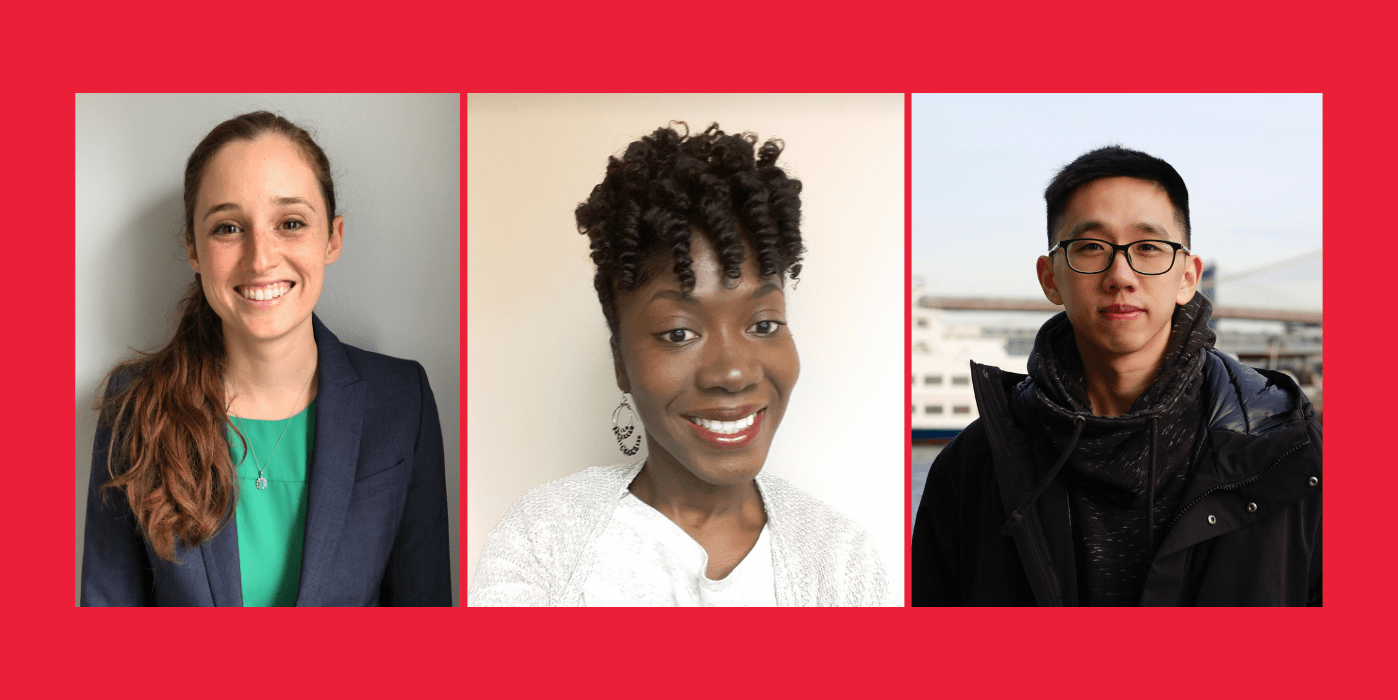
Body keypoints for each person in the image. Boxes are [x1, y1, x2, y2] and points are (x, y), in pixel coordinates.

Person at [469, 123, 889, 606]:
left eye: (765, 324)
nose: (732, 373)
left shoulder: (838, 559)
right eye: (679, 333)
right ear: (620, 362)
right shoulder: (543, 539)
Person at [912, 146, 1322, 606]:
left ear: (1188, 276)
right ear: (1050, 278)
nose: (1120, 275)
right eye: (1091, 247)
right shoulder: (973, 465)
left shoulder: (1292, 451)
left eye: (1149, 247)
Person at [81, 111, 451, 606]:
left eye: (291, 223)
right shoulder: (135, 405)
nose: (260, 258)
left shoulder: (404, 402)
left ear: (332, 238)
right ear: (193, 249)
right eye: (228, 228)